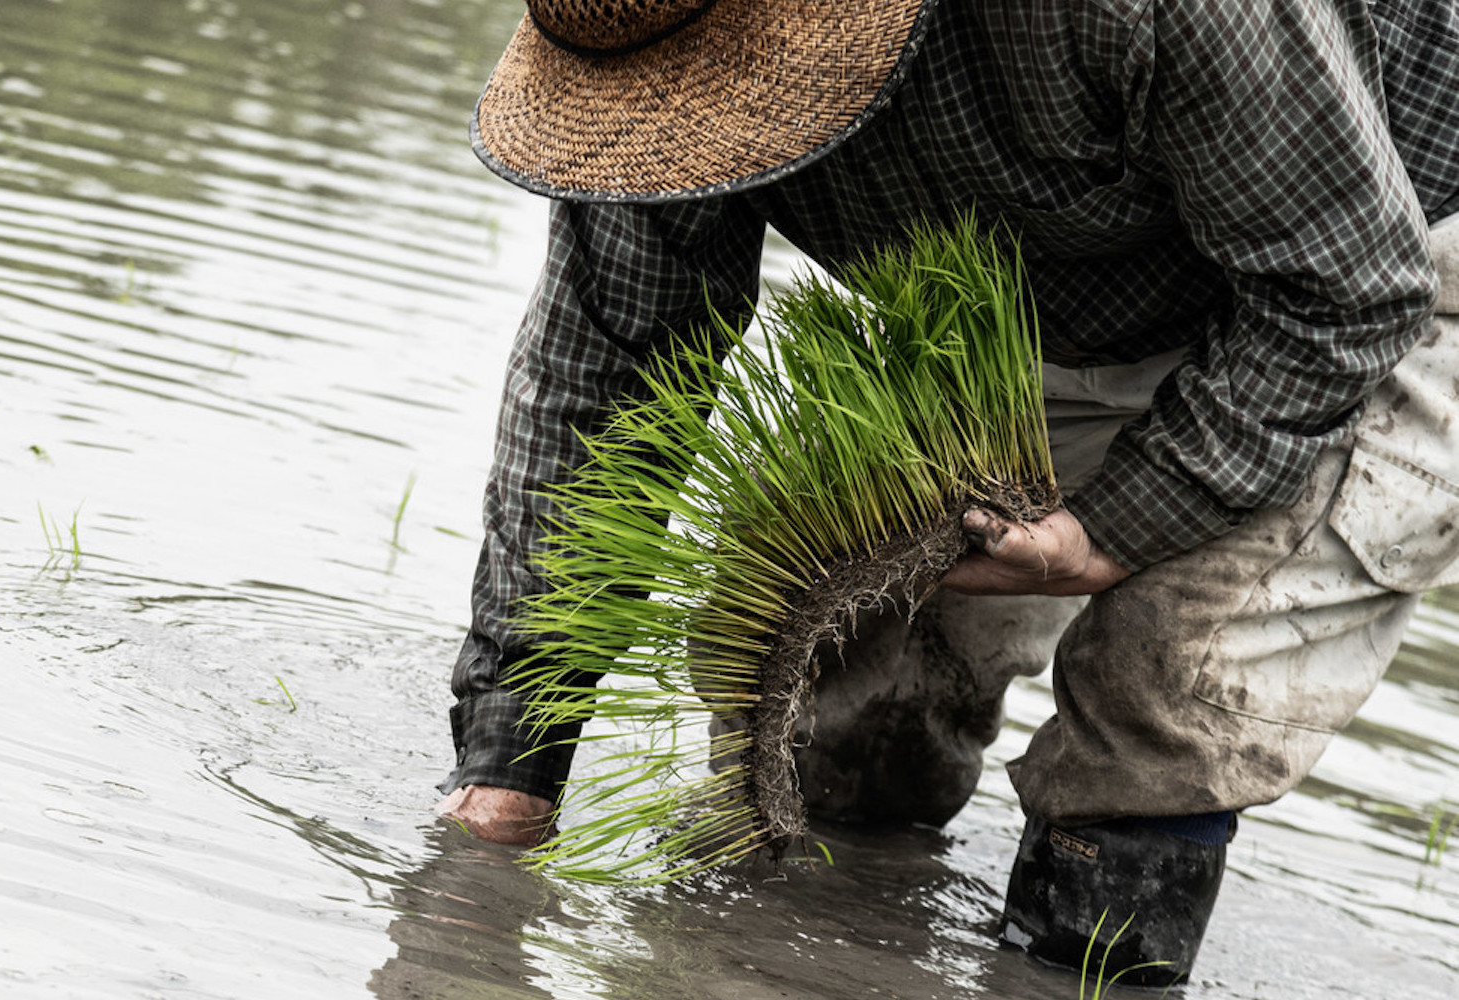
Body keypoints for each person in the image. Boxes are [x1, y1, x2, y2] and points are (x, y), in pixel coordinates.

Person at [435, 0, 1459, 985]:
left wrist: (1107, 534)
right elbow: (608, 372)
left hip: (1384, 260)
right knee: (830, 703)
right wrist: (512, 753)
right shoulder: (646, 34)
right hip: (1037, 290)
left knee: (1160, 698)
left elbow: (1345, 295)